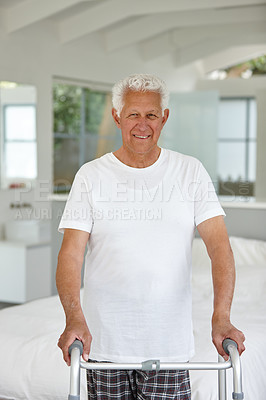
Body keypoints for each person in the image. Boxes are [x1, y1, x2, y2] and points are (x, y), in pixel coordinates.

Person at [56, 73, 245, 400]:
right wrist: (74, 318)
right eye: (133, 114)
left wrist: (222, 317)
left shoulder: (190, 172)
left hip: (168, 345)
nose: (142, 124)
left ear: (164, 118)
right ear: (117, 117)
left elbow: (220, 249)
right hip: (103, 345)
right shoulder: (90, 176)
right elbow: (71, 255)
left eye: (151, 115)